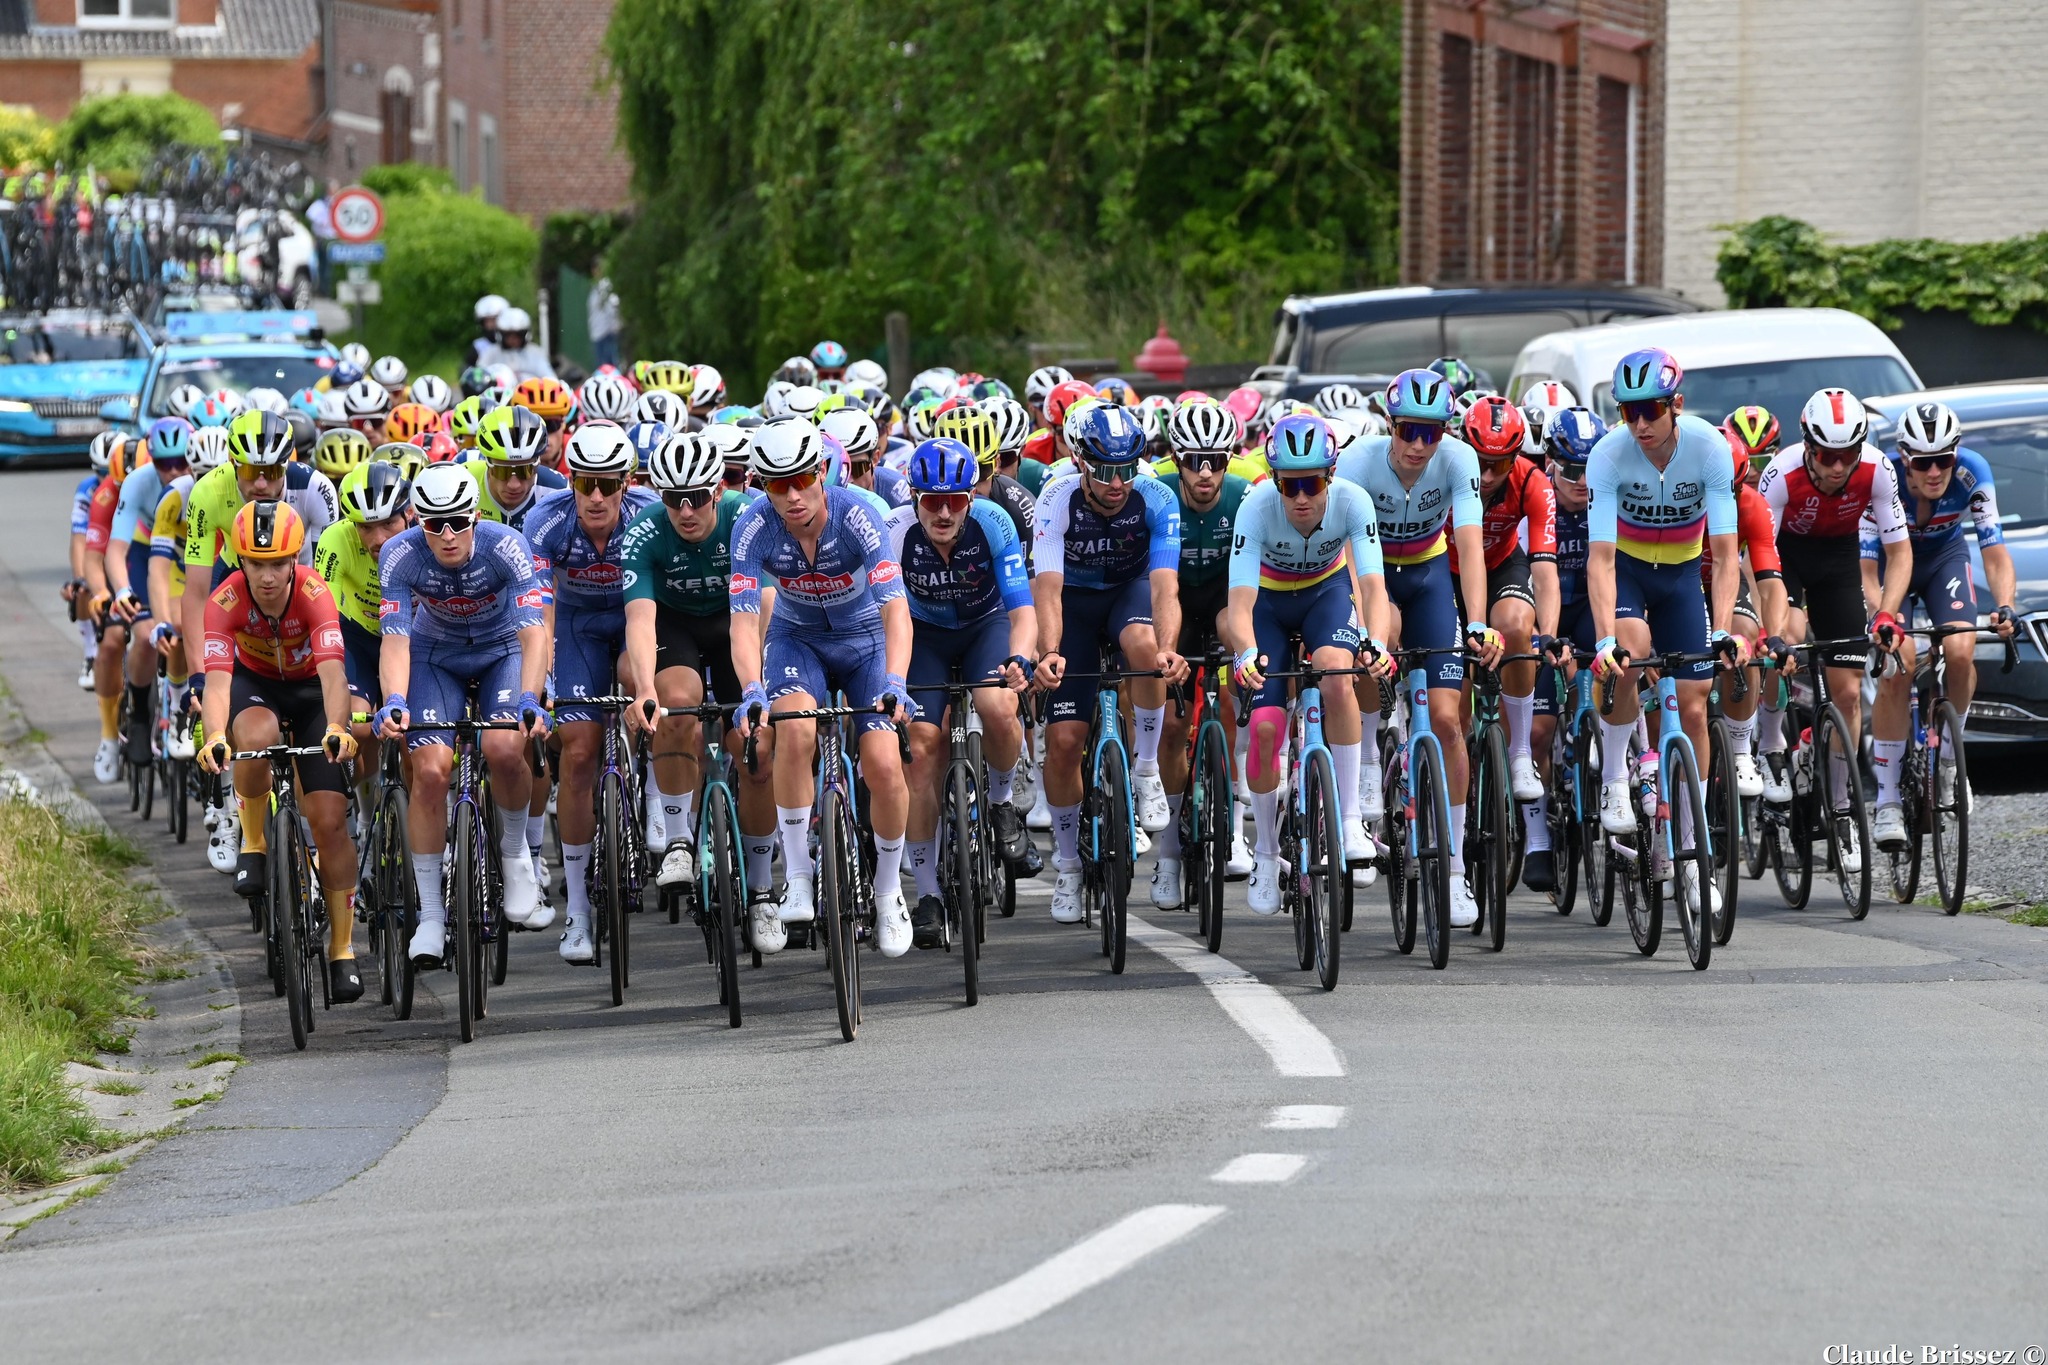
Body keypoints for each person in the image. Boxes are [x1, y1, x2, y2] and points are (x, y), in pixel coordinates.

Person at [730, 417, 916, 956]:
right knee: (794, 733)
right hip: (797, 639)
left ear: (821, 471)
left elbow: (896, 612)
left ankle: (887, 894)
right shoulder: (753, 526)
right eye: (775, 484)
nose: (790, 496)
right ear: (762, 486)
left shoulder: (859, 515)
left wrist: (898, 681)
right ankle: (800, 875)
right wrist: (750, 688)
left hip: (866, 641)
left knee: (882, 762)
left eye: (800, 480)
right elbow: (743, 622)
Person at [1585, 349, 1745, 922]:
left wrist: (1723, 627)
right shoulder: (1607, 455)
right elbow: (1600, 560)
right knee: (1628, 651)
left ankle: (1692, 854)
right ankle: (1612, 779)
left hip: (1681, 578)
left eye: (1650, 410)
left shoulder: (1710, 449)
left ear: (1676, 405)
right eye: (1629, 412)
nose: (1640, 424)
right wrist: (1603, 638)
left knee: (1697, 710)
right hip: (1627, 571)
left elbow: (1726, 556)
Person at [1335, 368, 1497, 928]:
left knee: (1449, 723)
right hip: (1374, 574)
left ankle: (1453, 871)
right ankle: (1368, 770)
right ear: (1390, 425)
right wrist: (1367, 630)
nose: (1419, 445)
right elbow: (1354, 564)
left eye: (1432, 432)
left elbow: (1470, 549)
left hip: (1428, 573)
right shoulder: (1358, 463)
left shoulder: (1459, 461)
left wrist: (1476, 622)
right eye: (1408, 430)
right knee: (1378, 644)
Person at [374, 465, 553, 966]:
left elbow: (533, 632)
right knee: (430, 772)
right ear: (417, 520)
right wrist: (394, 699)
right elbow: (396, 639)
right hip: (436, 655)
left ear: (476, 515)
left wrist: (531, 697)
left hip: (502, 650)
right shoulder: (399, 554)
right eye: (434, 524)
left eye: (457, 521)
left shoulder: (505, 545)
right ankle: (431, 915)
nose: (447, 535)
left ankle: (517, 856)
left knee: (502, 746)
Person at [195, 501, 365, 1003]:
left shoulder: (315, 594)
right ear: (240, 562)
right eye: (255, 563)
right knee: (254, 735)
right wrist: (212, 736)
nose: (267, 576)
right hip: (256, 688)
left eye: (277, 563)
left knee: (330, 820)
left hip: (313, 692)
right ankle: (254, 843)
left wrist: (337, 725)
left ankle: (342, 949)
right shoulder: (224, 601)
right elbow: (219, 684)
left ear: (295, 560)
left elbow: (335, 674)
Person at [1225, 415, 1393, 914]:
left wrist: (1377, 641)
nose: (1301, 497)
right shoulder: (1255, 508)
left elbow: (1372, 585)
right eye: (1289, 485)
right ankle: (1267, 855)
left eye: (1312, 483)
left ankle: (1346, 819)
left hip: (1326, 593)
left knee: (1338, 673)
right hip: (1269, 606)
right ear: (1275, 480)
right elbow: (1238, 602)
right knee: (1264, 728)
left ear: (1331, 474)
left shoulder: (1353, 501)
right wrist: (1244, 653)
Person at [1030, 404, 1187, 925]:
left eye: (1127, 468)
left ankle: (1144, 770)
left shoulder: (1158, 496)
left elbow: (1166, 586)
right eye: (1104, 471)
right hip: (1071, 605)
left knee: (1145, 646)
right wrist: (1050, 652)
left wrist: (1168, 647)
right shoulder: (1055, 498)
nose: (1117, 482)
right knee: (1065, 742)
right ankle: (1070, 865)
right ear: (1079, 461)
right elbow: (1047, 592)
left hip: (1127, 593)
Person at [887, 439, 1037, 946]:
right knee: (921, 751)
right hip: (922, 635)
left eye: (955, 500)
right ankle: (927, 894)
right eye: (932, 499)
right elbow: (883, 618)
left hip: (984, 626)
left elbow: (1022, 610)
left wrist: (1021, 657)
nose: (944, 511)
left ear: (972, 498)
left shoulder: (994, 524)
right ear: (914, 497)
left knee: (997, 703)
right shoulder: (896, 533)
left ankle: (1000, 803)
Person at [1755, 388, 1910, 880]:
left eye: (1848, 454)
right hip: (1785, 562)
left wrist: (1887, 614)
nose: (1838, 466)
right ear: (1807, 446)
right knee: (1790, 639)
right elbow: (1756, 554)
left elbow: (1900, 554)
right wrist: (1772, 631)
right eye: (1826, 455)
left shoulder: (1877, 469)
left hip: (1839, 564)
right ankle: (1770, 744)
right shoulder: (1781, 475)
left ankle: (1841, 808)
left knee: (1847, 695)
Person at [524, 422, 658, 963]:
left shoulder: (646, 515)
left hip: (632, 619)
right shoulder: (545, 520)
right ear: (572, 481)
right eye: (585, 484)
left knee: (637, 681)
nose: (596, 496)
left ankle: (649, 784)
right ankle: (577, 908)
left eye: (608, 484)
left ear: (626, 482)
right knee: (578, 751)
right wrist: (547, 681)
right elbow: (539, 611)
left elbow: (648, 609)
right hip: (574, 626)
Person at [620, 431, 773, 895]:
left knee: (757, 748)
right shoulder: (645, 530)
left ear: (719, 491)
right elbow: (641, 619)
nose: (685, 511)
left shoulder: (746, 518)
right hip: (676, 626)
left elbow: (765, 605)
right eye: (673, 498)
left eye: (697, 498)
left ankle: (763, 887)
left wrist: (756, 685)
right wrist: (645, 689)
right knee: (675, 705)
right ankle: (678, 842)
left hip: (738, 623)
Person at [1862, 400, 2018, 848]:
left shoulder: (1973, 472)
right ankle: (1888, 799)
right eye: (1924, 462)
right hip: (1892, 564)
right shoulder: (1881, 477)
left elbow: (1994, 550)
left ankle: (1950, 762)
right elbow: (1868, 571)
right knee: (1899, 664)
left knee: (1962, 649)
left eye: (1943, 459)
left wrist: (2004, 605)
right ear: (1905, 459)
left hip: (1943, 560)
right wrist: (1882, 618)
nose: (1935, 472)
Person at [1153, 397, 1256, 891]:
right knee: (1173, 728)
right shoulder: (1157, 490)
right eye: (1194, 461)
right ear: (1177, 460)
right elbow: (1156, 586)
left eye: (1215, 461)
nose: (1205, 473)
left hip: (1221, 600)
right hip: (1170, 600)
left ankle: (1233, 829)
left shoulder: (1244, 495)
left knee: (1233, 702)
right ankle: (1169, 849)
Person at [480, 307, 556, 382]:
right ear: (501, 334)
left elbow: (550, 378)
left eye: (518, 335)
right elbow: (480, 377)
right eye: (508, 335)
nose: (513, 339)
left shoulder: (535, 352)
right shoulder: (491, 353)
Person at [588, 277, 622, 371]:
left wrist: (614, 327)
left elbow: (612, 310)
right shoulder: (595, 290)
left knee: (610, 364)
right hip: (598, 332)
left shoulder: (604, 288)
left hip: (607, 333)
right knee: (603, 365)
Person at [470, 295, 508, 366]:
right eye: (487, 321)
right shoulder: (478, 346)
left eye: (494, 320)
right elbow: (466, 368)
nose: (490, 325)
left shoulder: (514, 344)